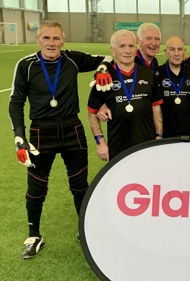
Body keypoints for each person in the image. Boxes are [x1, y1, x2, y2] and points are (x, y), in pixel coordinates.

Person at [8, 20, 113, 259]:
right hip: (40, 134)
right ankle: (34, 236)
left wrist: (102, 70)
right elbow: (16, 102)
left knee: (79, 185)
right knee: (36, 188)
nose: (51, 43)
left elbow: (107, 57)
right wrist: (19, 135)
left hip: (71, 130)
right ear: (38, 40)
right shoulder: (25, 66)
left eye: (56, 38)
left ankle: (84, 229)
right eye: (46, 38)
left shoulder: (72, 59)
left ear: (62, 40)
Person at [87, 29, 163, 161]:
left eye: (131, 46)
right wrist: (100, 143)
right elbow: (92, 113)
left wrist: (159, 135)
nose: (127, 51)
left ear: (136, 48)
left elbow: (156, 108)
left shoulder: (148, 74)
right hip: (117, 146)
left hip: (147, 144)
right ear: (113, 50)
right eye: (122, 46)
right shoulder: (104, 78)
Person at [95, 22, 162, 122]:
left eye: (157, 39)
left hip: (147, 122)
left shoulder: (154, 63)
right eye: (148, 38)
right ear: (138, 41)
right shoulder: (127, 60)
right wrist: (102, 104)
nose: (153, 43)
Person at [159, 36, 190, 137]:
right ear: (166, 51)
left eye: (180, 49)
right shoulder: (159, 73)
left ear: (184, 51)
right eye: (172, 49)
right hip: (168, 133)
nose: (176, 53)